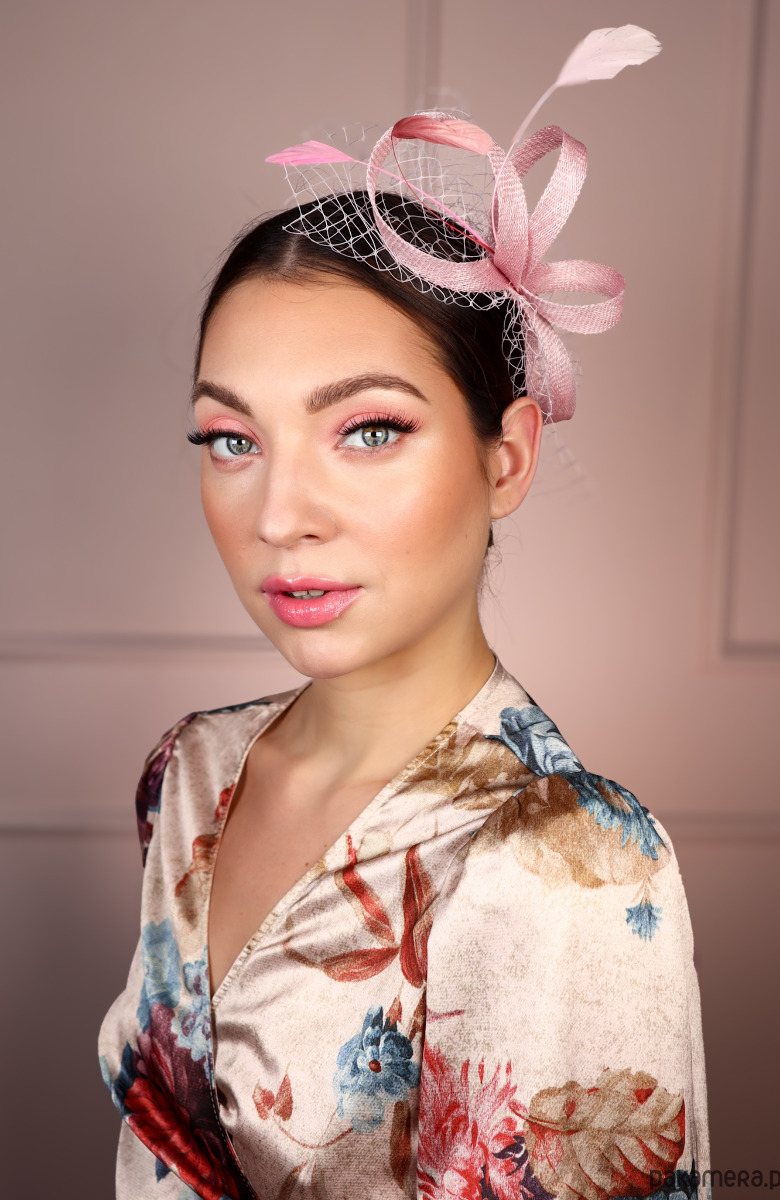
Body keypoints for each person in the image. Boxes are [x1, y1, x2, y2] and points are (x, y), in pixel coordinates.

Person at [98, 28, 710, 1200]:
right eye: (230, 439)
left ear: (505, 457)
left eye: (368, 430)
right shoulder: (189, 774)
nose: (281, 515)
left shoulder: (564, 860)